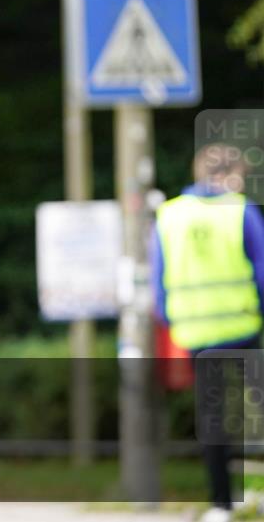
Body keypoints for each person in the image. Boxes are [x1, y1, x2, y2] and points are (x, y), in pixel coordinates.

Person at [150, 144, 264, 522]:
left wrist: (173, 319)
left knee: (213, 416)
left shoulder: (168, 215)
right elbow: (261, 268)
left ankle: (221, 505)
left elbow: (158, 280)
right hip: (245, 327)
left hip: (196, 332)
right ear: (232, 173)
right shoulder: (240, 210)